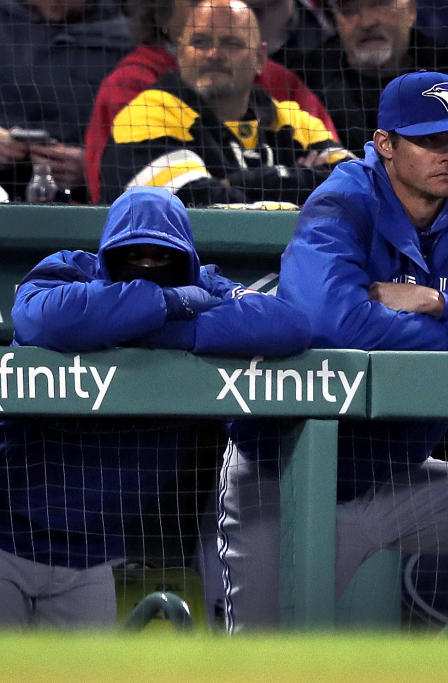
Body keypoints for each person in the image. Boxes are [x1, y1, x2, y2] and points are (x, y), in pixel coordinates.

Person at [218, 70, 448, 633]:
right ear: (385, 144)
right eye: (430, 141)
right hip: (286, 475)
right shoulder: (344, 200)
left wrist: (441, 301)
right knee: (263, 663)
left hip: (392, 475)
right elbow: (329, 323)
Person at [0, 186, 311, 627]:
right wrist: (170, 304)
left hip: (91, 556)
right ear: (109, 253)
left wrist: (140, 330)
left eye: (160, 258)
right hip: (5, 535)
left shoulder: (205, 282)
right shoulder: (69, 270)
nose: (146, 268)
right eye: (133, 256)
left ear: (183, 257)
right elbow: (41, 319)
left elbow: (290, 325)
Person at [99, 0, 352, 206]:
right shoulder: (146, 114)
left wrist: (236, 183)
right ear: (180, 52)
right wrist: (296, 185)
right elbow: (193, 207)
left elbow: (354, 186)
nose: (214, 55)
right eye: (200, 42)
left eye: (232, 43)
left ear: (260, 58)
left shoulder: (290, 119)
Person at [0, 0, 132, 202]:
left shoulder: (126, 39)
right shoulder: (4, 23)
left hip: (86, 208)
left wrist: (93, 167)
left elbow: (147, 146)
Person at [297, 0, 448, 156]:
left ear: (411, 10)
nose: (366, 23)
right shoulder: (306, 81)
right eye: (349, 10)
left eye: (380, 4)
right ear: (336, 19)